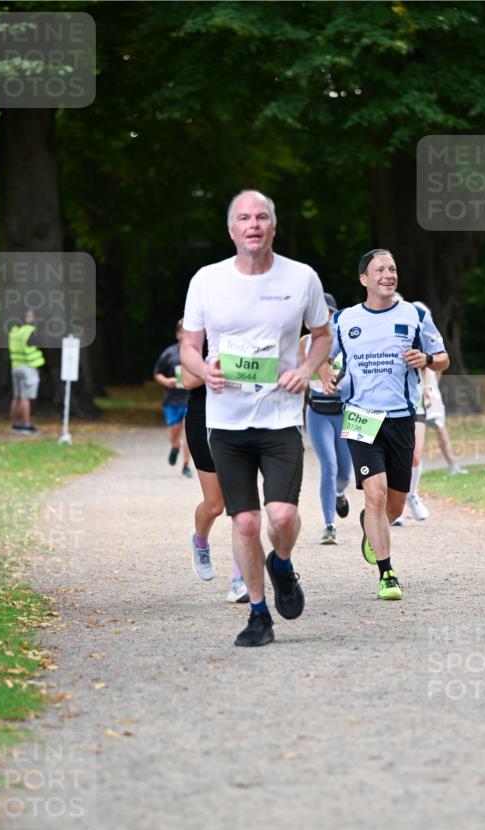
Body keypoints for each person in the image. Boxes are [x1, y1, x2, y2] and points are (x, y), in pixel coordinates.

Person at [180, 189, 331, 647]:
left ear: (273, 227)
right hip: (226, 421)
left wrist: (306, 370)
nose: (253, 225)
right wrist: (204, 369)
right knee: (245, 522)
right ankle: (259, 615)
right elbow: (189, 347)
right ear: (231, 229)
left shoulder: (301, 277)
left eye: (261, 217)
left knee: (281, 516)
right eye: (244, 218)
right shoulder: (207, 280)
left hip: (280, 417)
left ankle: (281, 563)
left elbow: (322, 335)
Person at [334, 249, 449, 600]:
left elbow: (443, 359)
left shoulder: (415, 314)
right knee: (376, 493)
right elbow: (319, 353)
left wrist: (426, 359)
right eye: (379, 269)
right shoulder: (344, 319)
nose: (388, 274)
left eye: (393, 269)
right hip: (360, 415)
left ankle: (370, 524)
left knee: (394, 507)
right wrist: (325, 375)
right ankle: (387, 574)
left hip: (401, 417)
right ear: (364, 279)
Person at [181, 337, 249, 602]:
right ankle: (200, 541)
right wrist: (228, 366)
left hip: (241, 418)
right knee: (215, 505)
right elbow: (188, 380)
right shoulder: (197, 336)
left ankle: (240, 580)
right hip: (203, 419)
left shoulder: (250, 331)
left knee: (241, 504)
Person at [299, 292, 352, 544]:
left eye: (328, 313)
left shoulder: (347, 340)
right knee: (329, 466)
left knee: (345, 473)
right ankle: (329, 525)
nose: (323, 317)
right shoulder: (304, 343)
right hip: (317, 412)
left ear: (335, 315)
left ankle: (340, 493)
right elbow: (303, 376)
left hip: (344, 413)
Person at [154, 319, 193, 478]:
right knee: (174, 434)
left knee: (189, 433)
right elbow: (157, 373)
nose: (186, 334)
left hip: (190, 399)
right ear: (178, 334)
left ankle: (186, 465)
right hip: (172, 400)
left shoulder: (197, 353)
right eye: (183, 331)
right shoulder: (169, 353)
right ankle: (175, 446)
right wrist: (166, 381)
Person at [9, 309, 44, 435]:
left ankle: (15, 425)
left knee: (17, 397)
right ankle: (26, 425)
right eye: (30, 316)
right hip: (28, 367)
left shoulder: (14, 331)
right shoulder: (30, 331)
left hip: (15, 366)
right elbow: (39, 344)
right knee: (25, 398)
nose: (32, 318)